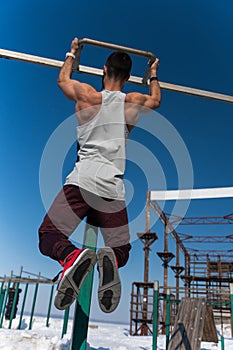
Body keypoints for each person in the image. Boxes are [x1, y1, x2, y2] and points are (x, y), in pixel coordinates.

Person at [38, 37, 161, 313]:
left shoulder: (87, 96)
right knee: (120, 250)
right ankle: (111, 260)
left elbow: (62, 81)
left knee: (48, 234)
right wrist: (153, 73)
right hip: (112, 189)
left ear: (104, 70)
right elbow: (156, 99)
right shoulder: (133, 102)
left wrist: (72, 53)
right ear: (128, 77)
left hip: (81, 183)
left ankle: (71, 257)